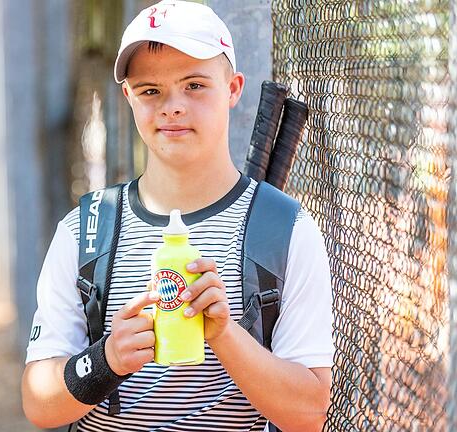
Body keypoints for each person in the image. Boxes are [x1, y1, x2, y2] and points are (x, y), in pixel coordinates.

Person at [21, 1, 333, 430]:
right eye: (150, 90)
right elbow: (38, 403)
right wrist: (105, 360)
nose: (172, 106)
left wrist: (225, 335)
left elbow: (310, 413)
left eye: (195, 85)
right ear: (128, 97)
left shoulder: (287, 231)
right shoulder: (86, 229)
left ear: (234, 88)